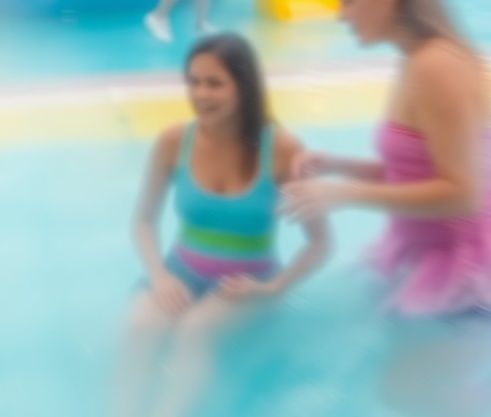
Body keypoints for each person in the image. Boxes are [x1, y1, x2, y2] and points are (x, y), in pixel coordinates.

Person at [280, 0, 491, 316]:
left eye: (349, 0)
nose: (340, 15)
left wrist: (346, 193)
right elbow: (414, 172)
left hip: (468, 276)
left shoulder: (437, 67)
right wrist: (337, 165)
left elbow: (465, 195)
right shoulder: (416, 60)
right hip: (429, 257)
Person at [111, 33, 331, 417]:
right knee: (140, 329)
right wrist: (160, 276)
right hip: (178, 273)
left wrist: (273, 288)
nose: (201, 94)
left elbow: (320, 243)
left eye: (214, 83)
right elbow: (143, 221)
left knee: (195, 332)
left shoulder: (281, 149)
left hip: (245, 285)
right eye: (193, 82)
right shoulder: (173, 141)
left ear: (243, 88)